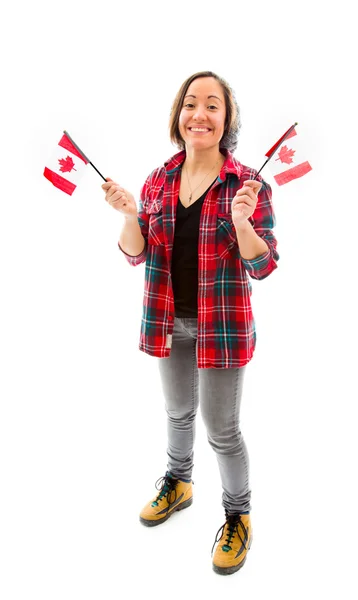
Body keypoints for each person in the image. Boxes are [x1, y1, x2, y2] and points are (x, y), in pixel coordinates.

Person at [101, 71, 279, 576]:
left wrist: (243, 222)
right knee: (178, 411)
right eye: (190, 104)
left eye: (213, 106)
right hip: (167, 320)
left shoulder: (247, 185)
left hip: (221, 327)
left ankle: (237, 516)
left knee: (222, 431)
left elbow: (262, 266)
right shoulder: (158, 179)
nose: (199, 114)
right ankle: (179, 483)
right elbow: (135, 254)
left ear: (227, 120)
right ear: (179, 115)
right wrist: (130, 215)